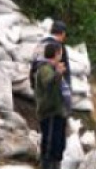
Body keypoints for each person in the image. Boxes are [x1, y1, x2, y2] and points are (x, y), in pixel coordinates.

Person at [34, 41, 68, 169]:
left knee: (58, 145)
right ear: (56, 54)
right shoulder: (44, 69)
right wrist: (58, 73)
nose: (61, 55)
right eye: (60, 53)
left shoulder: (52, 69)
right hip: (50, 112)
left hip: (57, 112)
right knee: (49, 145)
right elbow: (48, 83)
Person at [32, 20, 72, 111]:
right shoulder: (59, 47)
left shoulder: (40, 43)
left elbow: (33, 65)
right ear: (62, 34)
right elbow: (65, 70)